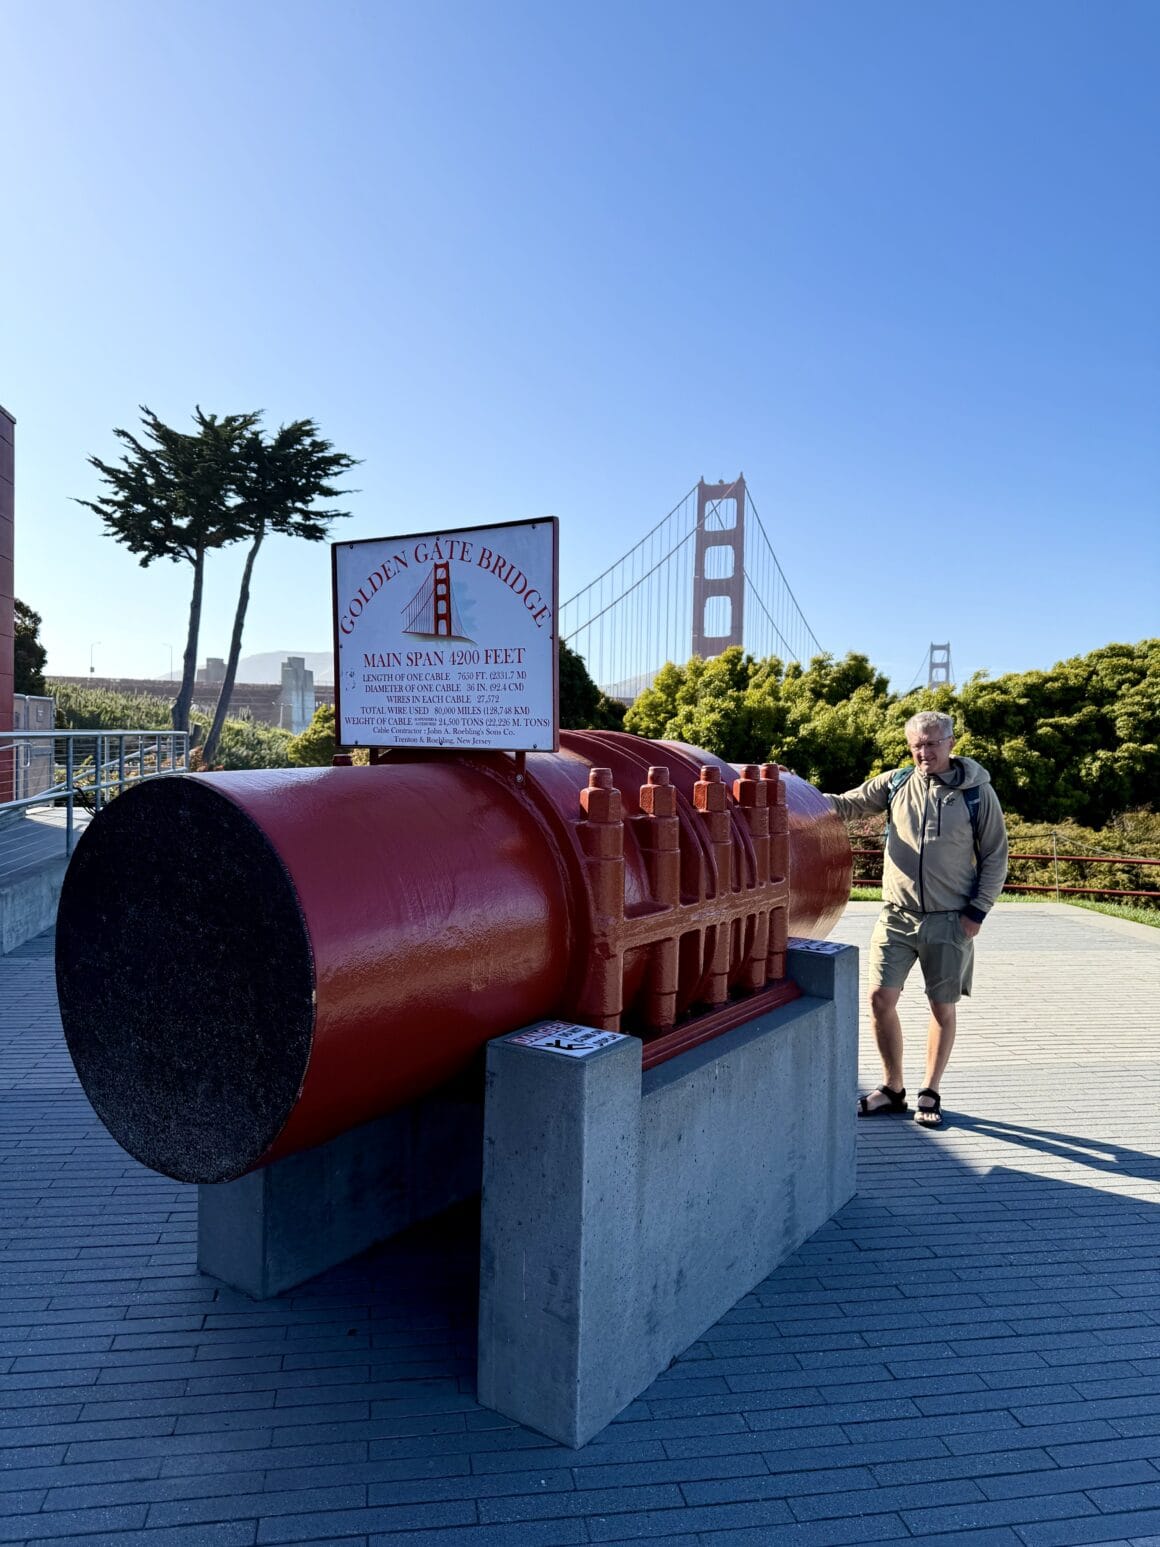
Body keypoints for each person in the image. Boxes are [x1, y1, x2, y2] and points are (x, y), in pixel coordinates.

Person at [825, 711, 1008, 1127]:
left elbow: (996, 855)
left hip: (951, 919)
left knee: (942, 1007)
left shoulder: (976, 793)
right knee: (879, 1000)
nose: (924, 752)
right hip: (896, 914)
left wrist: (977, 912)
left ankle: (930, 1090)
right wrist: (792, 790)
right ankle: (892, 1088)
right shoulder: (896, 783)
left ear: (950, 743)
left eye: (932, 743)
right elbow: (845, 805)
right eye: (916, 745)